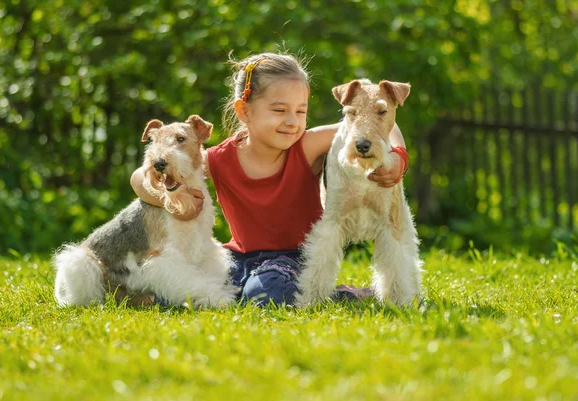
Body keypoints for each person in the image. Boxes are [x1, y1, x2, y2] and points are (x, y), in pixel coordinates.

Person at [131, 52, 408, 306]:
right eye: (279, 110)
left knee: (267, 294)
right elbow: (138, 179)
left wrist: (398, 157)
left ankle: (345, 294)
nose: (292, 121)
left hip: (292, 259)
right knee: (177, 295)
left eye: (301, 111)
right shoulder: (217, 158)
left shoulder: (307, 146)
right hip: (237, 257)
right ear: (244, 111)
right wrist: (165, 199)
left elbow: (382, 122)